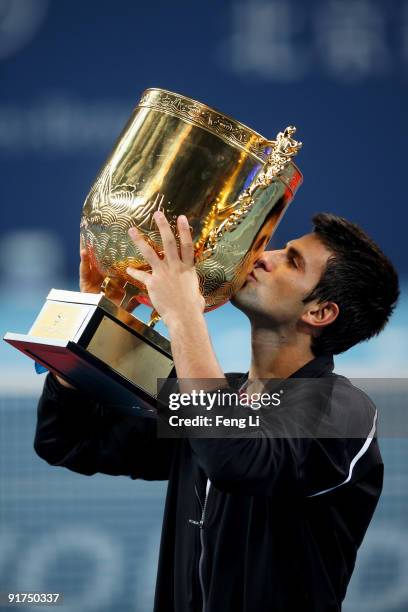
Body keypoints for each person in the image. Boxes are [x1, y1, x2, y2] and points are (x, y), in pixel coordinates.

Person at [34, 211, 399, 612]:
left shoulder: (344, 413)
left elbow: (235, 456)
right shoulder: (214, 392)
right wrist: (94, 321)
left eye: (292, 261)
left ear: (320, 313)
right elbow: (71, 440)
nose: (264, 255)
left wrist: (183, 314)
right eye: (281, 247)